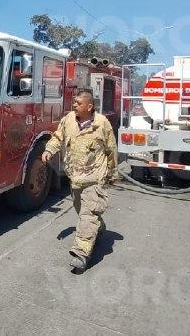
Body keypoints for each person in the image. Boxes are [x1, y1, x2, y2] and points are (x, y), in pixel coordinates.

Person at [41, 89, 117, 273]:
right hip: (75, 178)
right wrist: (49, 149)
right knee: (81, 211)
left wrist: (112, 175)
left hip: (94, 177)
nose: (74, 105)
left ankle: (81, 253)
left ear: (89, 106)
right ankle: (97, 228)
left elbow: (111, 149)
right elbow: (58, 137)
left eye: (78, 103)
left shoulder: (102, 124)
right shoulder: (68, 119)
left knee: (88, 214)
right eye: (74, 102)